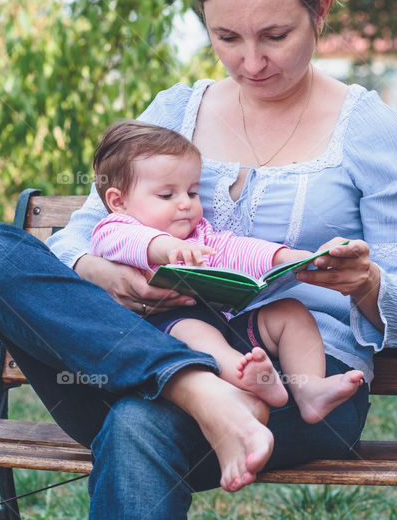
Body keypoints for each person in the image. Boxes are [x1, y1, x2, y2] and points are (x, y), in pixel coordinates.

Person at [0, 0, 397, 519]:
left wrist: (367, 283)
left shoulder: (371, 130)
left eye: (275, 36)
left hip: (294, 390)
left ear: (319, 10)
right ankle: (198, 389)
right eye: (227, 38)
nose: (251, 62)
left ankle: (192, 392)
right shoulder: (177, 109)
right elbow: (77, 240)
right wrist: (106, 274)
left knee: (137, 424)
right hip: (134, 352)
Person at [88, 120, 366, 469]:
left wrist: (295, 260)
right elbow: (127, 243)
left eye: (191, 192)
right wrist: (166, 248)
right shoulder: (114, 228)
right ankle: (244, 381)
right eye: (166, 195)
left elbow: (240, 250)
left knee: (290, 313)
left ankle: (310, 389)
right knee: (196, 331)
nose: (185, 204)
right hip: (164, 334)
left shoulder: (199, 234)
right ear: (119, 201)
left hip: (225, 323)